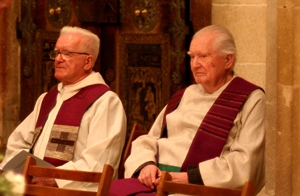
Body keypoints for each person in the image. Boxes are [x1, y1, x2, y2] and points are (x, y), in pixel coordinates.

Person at [109, 24, 265, 195]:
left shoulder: (250, 98)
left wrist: (181, 178)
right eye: (192, 57)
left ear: (228, 60)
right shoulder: (184, 95)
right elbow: (149, 140)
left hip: (200, 188)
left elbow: (245, 165)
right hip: (156, 183)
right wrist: (147, 165)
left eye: (203, 56)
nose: (195, 64)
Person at [0, 26, 127, 191]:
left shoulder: (105, 102)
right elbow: (19, 142)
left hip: (74, 192)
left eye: (67, 53)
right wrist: (20, 172)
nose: (58, 59)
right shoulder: (47, 99)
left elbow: (100, 161)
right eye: (56, 53)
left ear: (88, 61)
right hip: (33, 188)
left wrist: (56, 179)